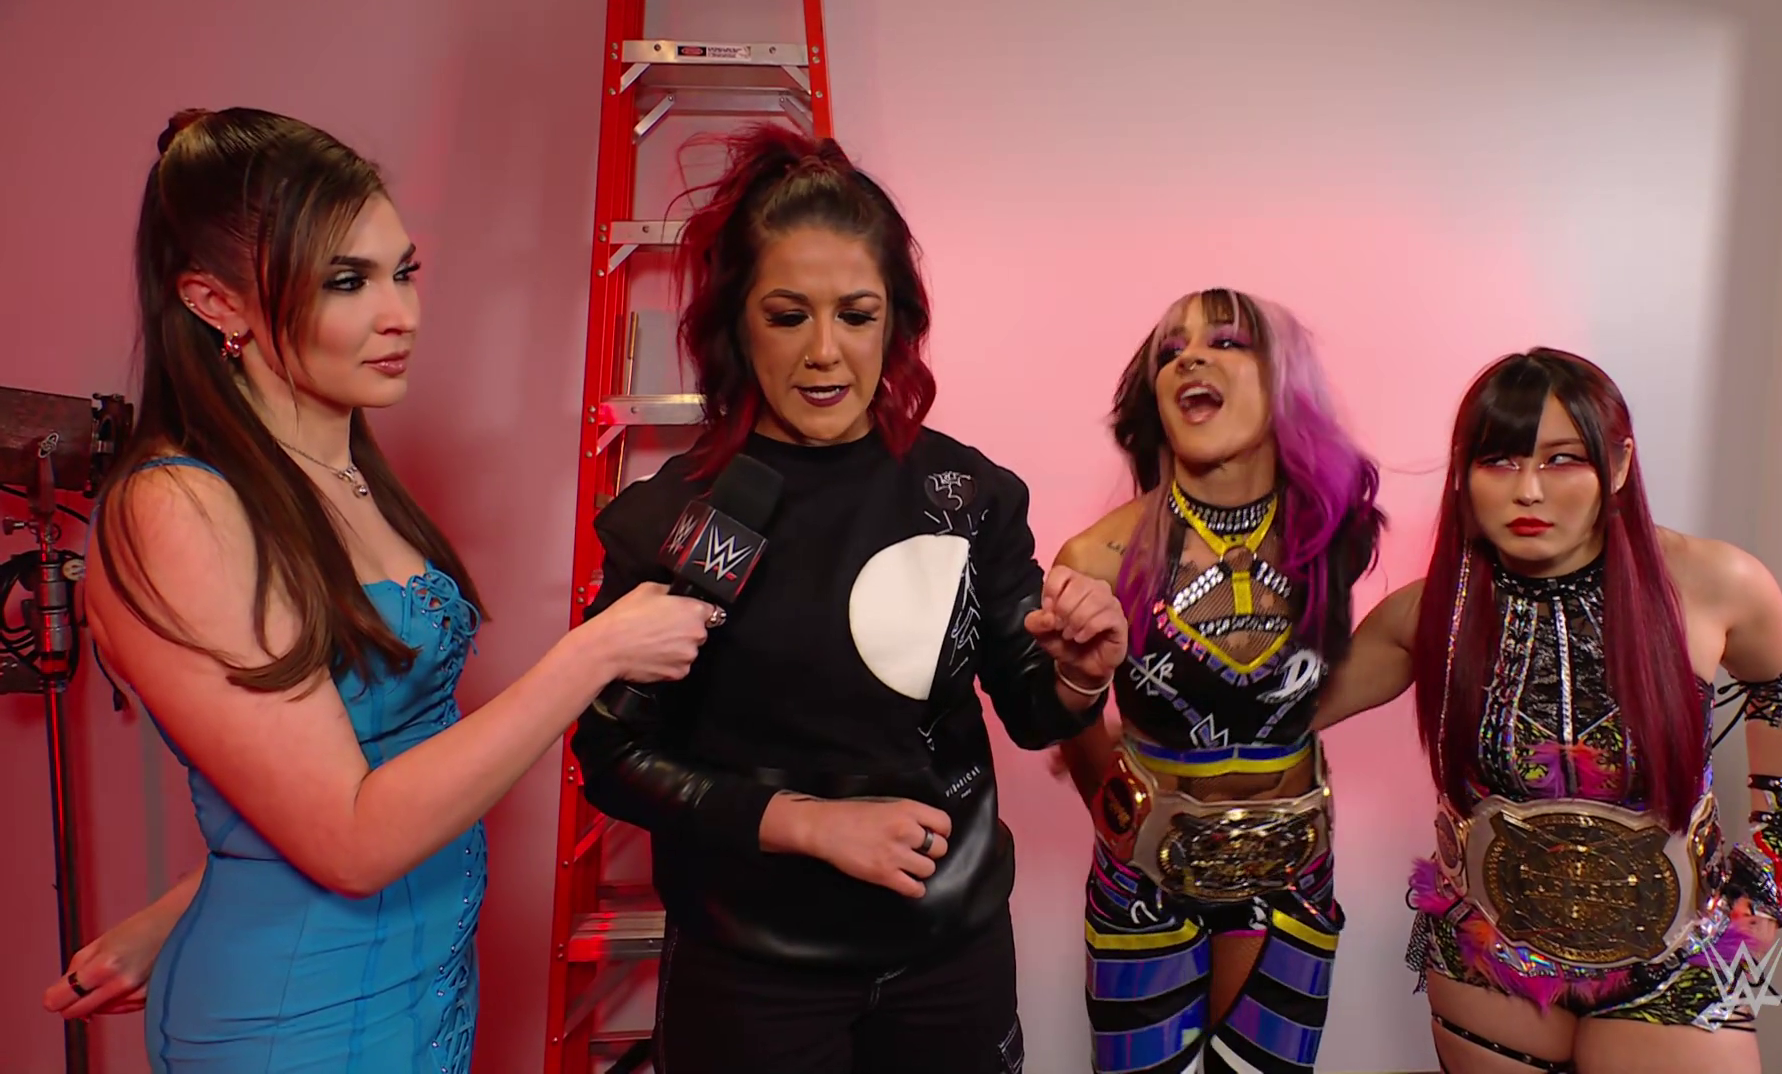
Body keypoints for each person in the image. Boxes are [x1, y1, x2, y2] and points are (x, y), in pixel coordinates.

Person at [41, 107, 715, 1072]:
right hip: (298, 1023)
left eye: (404, 271)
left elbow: (319, 772)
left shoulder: (340, 466)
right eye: (347, 281)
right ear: (215, 302)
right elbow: (349, 841)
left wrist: (186, 903)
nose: (401, 314)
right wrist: (593, 655)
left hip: (418, 986)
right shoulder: (177, 510)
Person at [566, 122, 1128, 1074]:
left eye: (856, 316)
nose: (825, 352)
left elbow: (1034, 710)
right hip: (752, 977)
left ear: (894, 324)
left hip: (951, 960)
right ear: (738, 324)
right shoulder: (682, 519)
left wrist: (1078, 675)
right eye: (789, 316)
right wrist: (805, 823)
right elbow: (612, 756)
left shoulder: (967, 496)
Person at [1312, 348, 1782, 1074]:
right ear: (1463, 475)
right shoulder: (1428, 614)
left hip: (1677, 955)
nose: (1529, 490)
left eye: (1561, 460)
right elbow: (1275, 714)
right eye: (1499, 461)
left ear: (1617, 466)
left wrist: (1774, 864)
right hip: (1490, 964)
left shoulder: (1711, 583)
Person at [1051, 289, 1386, 1074]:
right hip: (1144, 879)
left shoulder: (1335, 536)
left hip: (1292, 872)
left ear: (1286, 380)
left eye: (1228, 342)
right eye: (1171, 353)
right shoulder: (1097, 558)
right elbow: (1070, 717)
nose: (1192, 358)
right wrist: (1128, 824)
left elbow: (1336, 675)